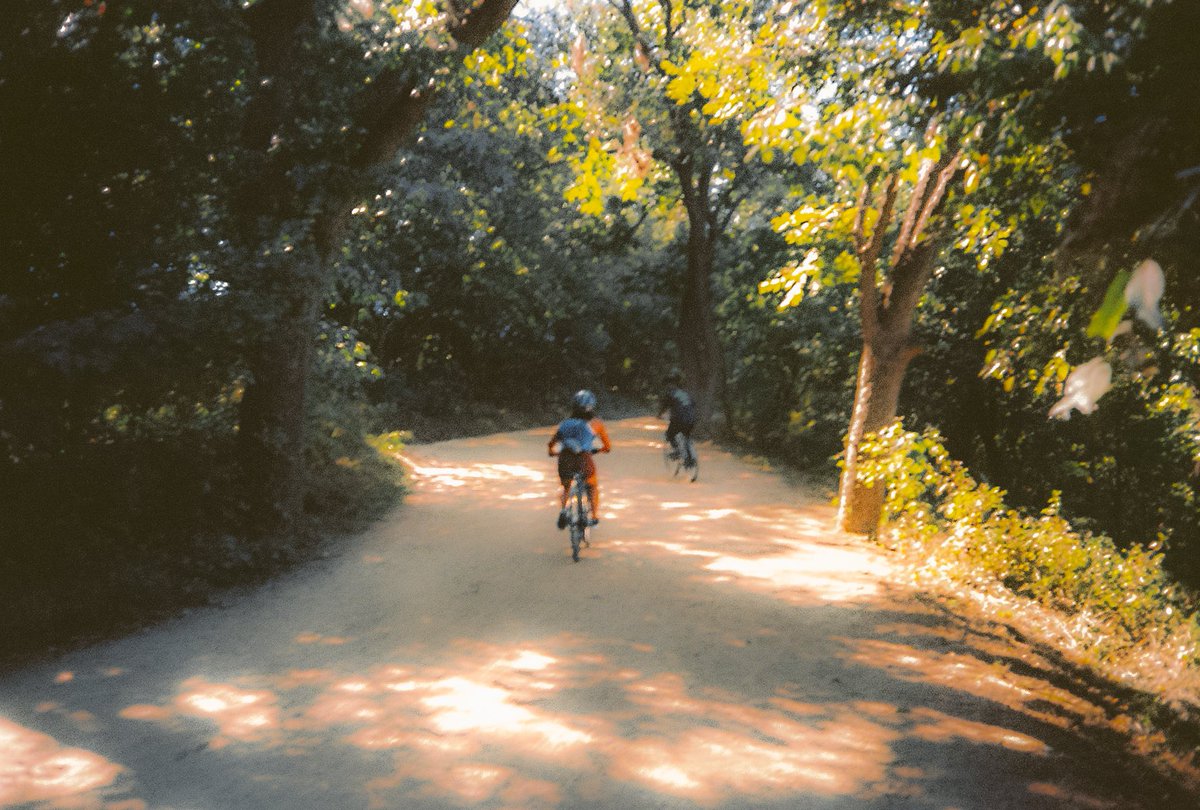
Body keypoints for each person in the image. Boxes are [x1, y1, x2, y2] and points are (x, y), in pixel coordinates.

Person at [548, 389, 612, 528]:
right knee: (592, 486)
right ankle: (594, 518)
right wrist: (601, 450)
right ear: (592, 406)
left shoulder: (565, 423)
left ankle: (564, 510)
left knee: (566, 487)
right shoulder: (596, 424)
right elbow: (607, 446)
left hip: (565, 459)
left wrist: (552, 452)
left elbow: (552, 444)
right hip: (584, 459)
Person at [658, 370, 696, 468]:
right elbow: (693, 404)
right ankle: (690, 458)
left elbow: (664, 406)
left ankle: (677, 451)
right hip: (691, 419)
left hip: (678, 419)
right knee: (686, 436)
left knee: (669, 434)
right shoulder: (685, 393)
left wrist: (659, 415)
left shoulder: (671, 394)